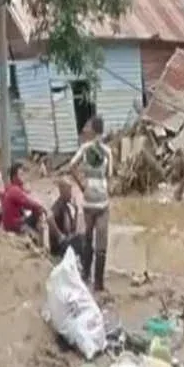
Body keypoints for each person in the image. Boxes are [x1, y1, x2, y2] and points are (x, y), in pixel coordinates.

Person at [69, 115, 113, 292]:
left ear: (93, 130)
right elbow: (110, 177)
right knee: (101, 243)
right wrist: (103, 188)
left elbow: (71, 166)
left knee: (88, 237)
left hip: (88, 202)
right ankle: (99, 283)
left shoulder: (85, 148)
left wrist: (82, 186)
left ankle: (86, 275)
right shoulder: (107, 151)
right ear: (102, 131)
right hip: (102, 203)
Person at [1, 162, 46, 241]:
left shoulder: (10, 188)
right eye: (21, 175)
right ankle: (39, 240)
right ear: (14, 177)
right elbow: (29, 203)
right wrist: (42, 208)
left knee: (36, 211)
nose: (23, 177)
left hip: (10, 223)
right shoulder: (15, 190)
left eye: (23, 174)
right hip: (15, 225)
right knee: (39, 211)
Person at [50, 176, 83, 261]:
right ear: (62, 191)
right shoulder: (58, 205)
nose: (71, 194)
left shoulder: (67, 207)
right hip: (59, 247)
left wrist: (76, 212)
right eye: (69, 191)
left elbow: (72, 230)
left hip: (66, 243)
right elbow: (49, 218)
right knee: (83, 241)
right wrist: (60, 236)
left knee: (84, 237)